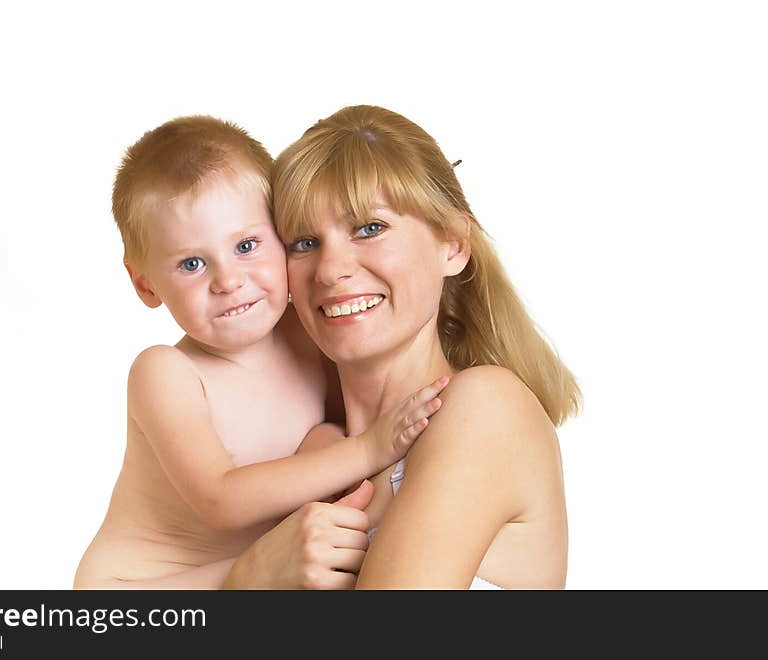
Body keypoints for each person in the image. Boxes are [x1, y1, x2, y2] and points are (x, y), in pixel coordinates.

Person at [73, 115, 447, 589]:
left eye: (247, 245)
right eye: (192, 263)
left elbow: (336, 438)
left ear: (284, 239)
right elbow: (221, 500)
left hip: (260, 570)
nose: (228, 281)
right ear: (145, 284)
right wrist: (367, 449)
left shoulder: (309, 336)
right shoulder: (166, 373)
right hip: (140, 590)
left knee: (325, 440)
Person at [252, 104, 582, 589]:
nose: (330, 269)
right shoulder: (305, 459)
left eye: (369, 228)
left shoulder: (485, 408)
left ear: (452, 244)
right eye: (304, 242)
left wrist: (251, 578)